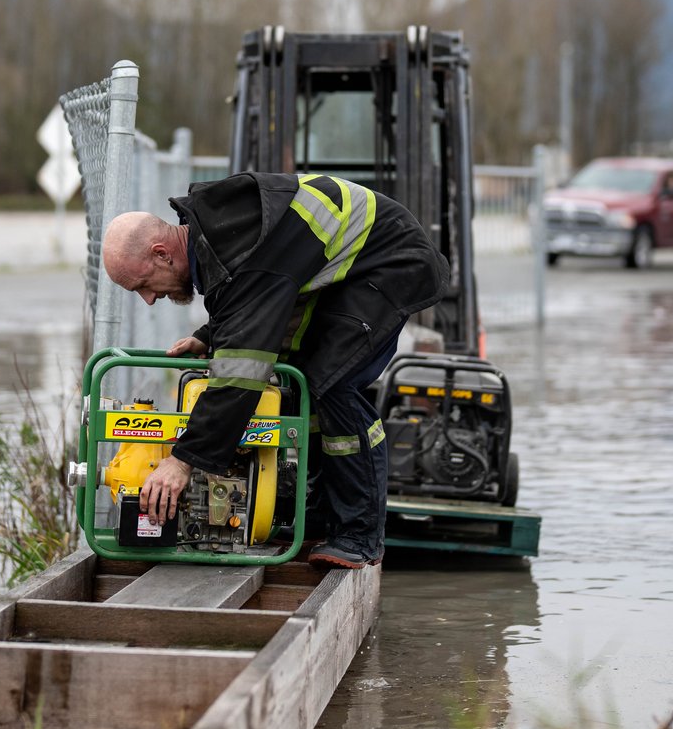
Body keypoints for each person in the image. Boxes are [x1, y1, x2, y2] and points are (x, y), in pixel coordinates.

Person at [101, 172, 450, 569]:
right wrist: (209, 334)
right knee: (304, 384)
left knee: (332, 385)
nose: (148, 300)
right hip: (350, 270)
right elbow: (251, 300)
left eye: (143, 285)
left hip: (390, 262)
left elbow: (240, 377)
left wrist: (182, 460)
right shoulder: (215, 236)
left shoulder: (235, 246)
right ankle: (320, 512)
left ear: (162, 253)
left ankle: (360, 534)